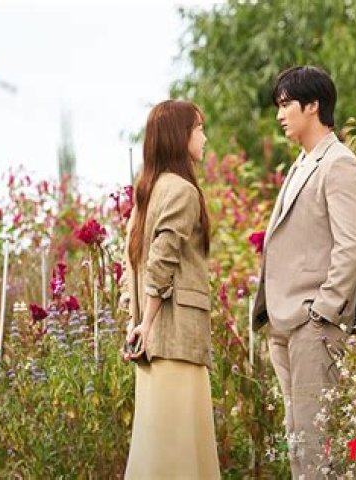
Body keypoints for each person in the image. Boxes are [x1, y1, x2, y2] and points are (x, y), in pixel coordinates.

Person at [251, 66, 356, 479]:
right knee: (298, 439)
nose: (279, 114)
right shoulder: (301, 164)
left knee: (317, 443)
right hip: (284, 322)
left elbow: (351, 245)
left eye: (286, 104)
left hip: (312, 324)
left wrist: (323, 312)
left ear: (313, 105)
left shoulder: (340, 164)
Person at [122, 99, 221, 479]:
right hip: (175, 338)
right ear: (180, 136)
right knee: (180, 454)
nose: (204, 138)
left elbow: (130, 264)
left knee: (158, 452)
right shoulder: (181, 190)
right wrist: (146, 324)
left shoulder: (147, 192)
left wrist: (135, 323)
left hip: (153, 343)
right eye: (199, 129)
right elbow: (162, 260)